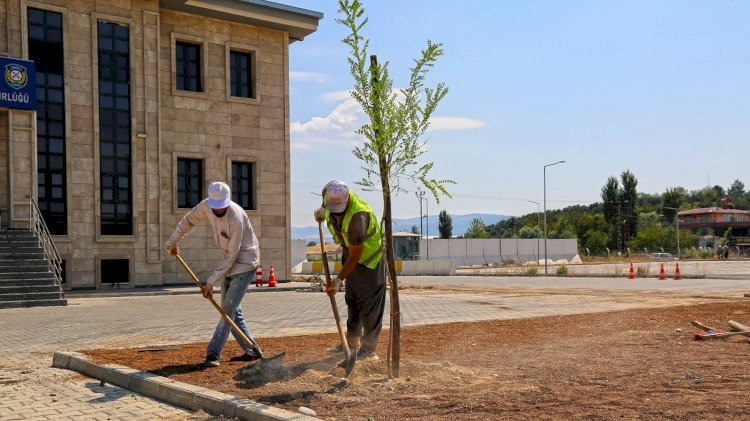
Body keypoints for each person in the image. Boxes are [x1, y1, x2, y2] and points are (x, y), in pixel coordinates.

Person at [165, 181, 261, 367]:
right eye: (215, 208)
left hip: (245, 263)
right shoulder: (206, 206)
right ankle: (253, 351)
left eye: (221, 208)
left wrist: (210, 283)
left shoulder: (236, 218)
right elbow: (188, 220)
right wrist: (173, 242)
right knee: (233, 311)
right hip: (229, 262)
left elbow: (233, 255)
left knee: (227, 311)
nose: (218, 212)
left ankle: (213, 354)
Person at [314, 180, 386, 361]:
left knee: (368, 304)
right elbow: (324, 205)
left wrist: (337, 281)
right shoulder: (329, 194)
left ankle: (369, 350)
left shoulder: (357, 217)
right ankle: (351, 344)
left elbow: (356, 255)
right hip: (350, 253)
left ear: (346, 199)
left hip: (368, 261)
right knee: (352, 299)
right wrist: (322, 213)